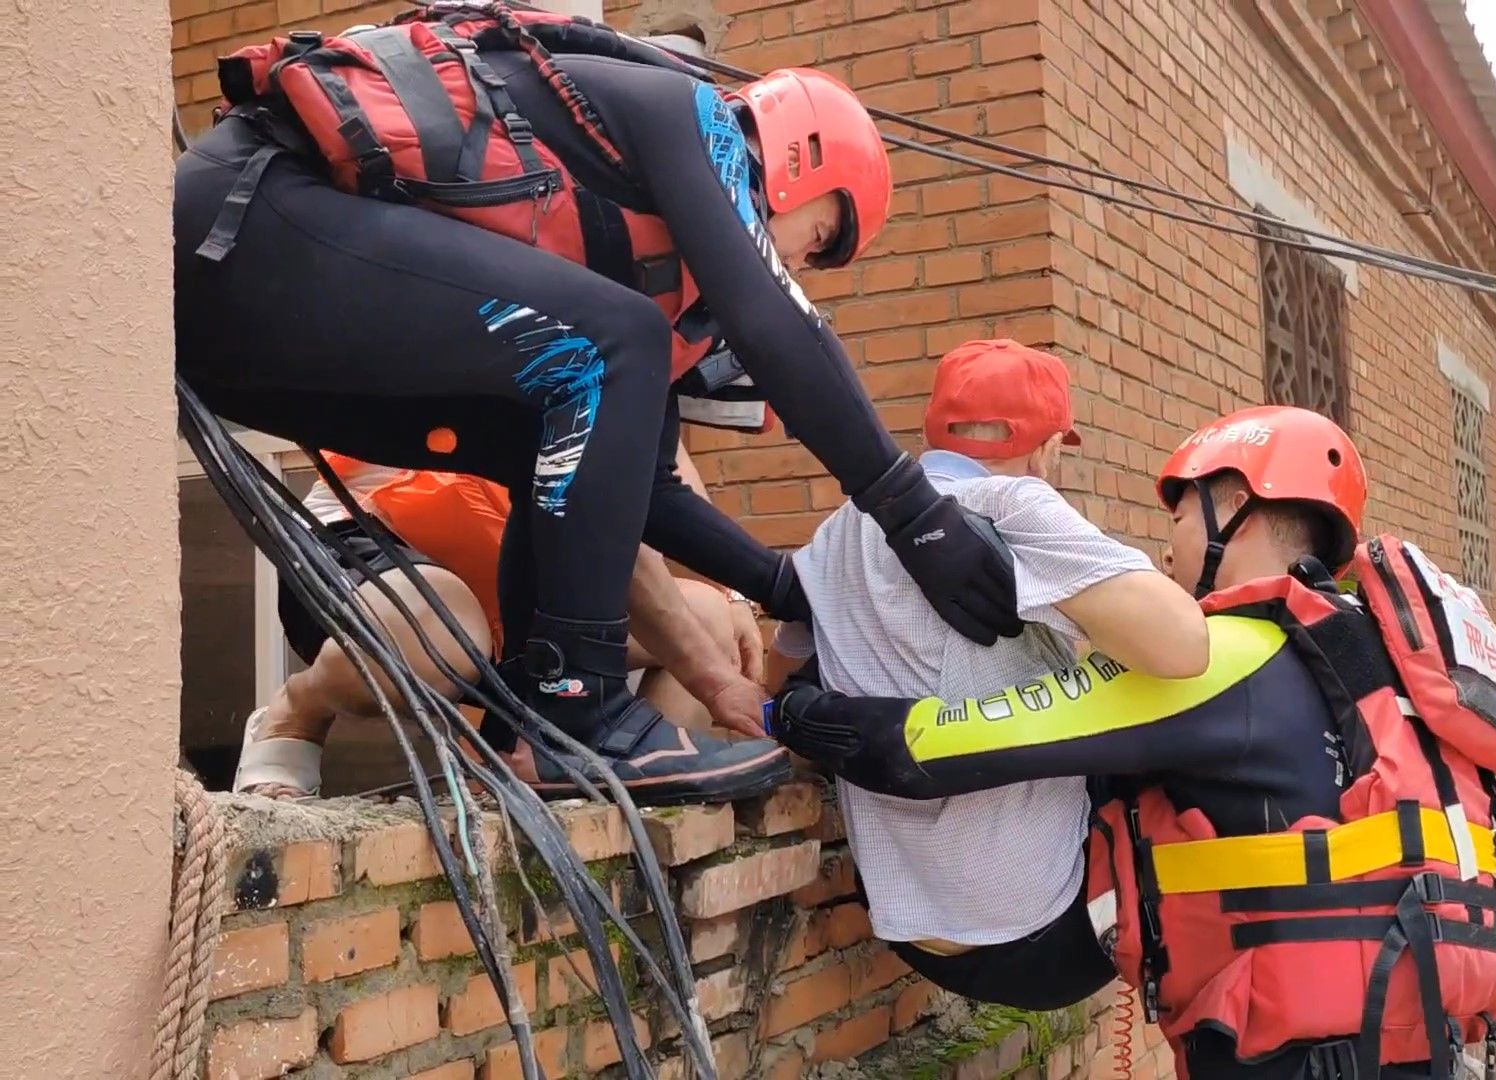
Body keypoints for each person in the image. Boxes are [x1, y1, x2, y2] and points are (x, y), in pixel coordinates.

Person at [173, 3, 1021, 793]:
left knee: (556, 410)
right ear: (797, 159)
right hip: (243, 220)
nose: (800, 264)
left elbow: (643, 491)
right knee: (618, 342)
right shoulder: (692, 118)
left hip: (248, 329)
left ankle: (542, 716)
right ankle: (578, 707)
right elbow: (778, 323)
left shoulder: (627, 294)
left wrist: (788, 586)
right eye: (822, 236)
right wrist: (916, 517)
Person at [767, 405, 1496, 1079]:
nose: (1167, 546)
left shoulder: (1227, 655)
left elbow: (939, 750)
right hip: (1418, 1022)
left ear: (1234, 509)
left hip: (1294, 1048)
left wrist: (796, 712)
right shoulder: (1365, 659)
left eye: (1178, 517)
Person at [762, 339, 1210, 1010]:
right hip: (1046, 935)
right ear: (1047, 448)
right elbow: (1185, 647)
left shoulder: (836, 534)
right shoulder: (1016, 503)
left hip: (908, 922)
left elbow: (781, 669)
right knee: (1179, 712)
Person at [237, 443, 791, 804]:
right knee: (443, 633)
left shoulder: (628, 311)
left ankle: (620, 796)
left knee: (708, 621)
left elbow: (658, 472)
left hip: (514, 558)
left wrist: (735, 593)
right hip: (376, 539)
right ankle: (296, 713)